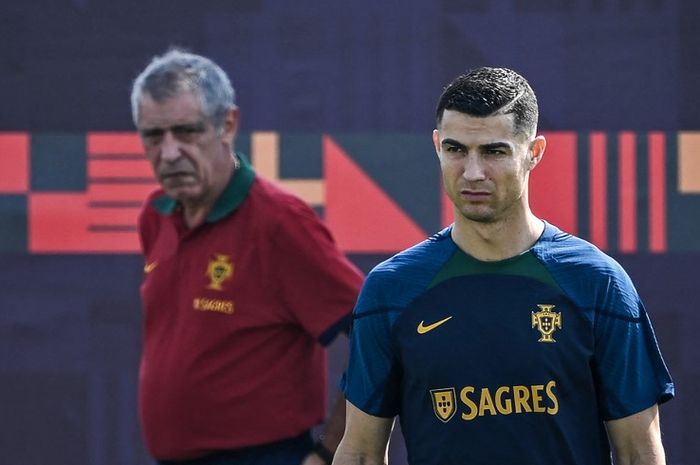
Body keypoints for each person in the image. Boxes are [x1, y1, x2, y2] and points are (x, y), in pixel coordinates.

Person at [334, 67, 674, 465]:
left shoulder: (597, 281)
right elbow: (359, 453)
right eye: (455, 149)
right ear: (436, 147)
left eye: (494, 151)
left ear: (534, 153)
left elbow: (640, 452)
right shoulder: (392, 288)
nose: (473, 172)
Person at [131, 49, 364, 465]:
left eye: (186, 132)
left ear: (228, 124)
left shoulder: (279, 223)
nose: (168, 154)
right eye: (153, 135)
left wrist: (329, 453)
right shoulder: (156, 214)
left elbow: (376, 337)